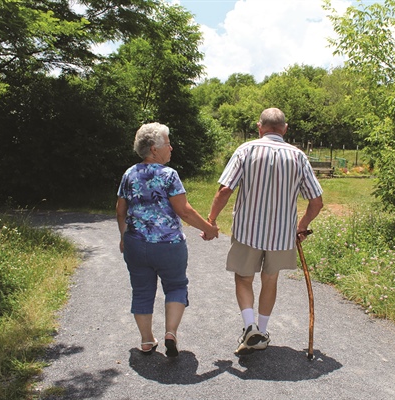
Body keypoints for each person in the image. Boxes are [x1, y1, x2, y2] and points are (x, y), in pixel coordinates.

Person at [205, 108, 323, 356]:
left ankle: (250, 328)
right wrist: (301, 226)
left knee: (243, 278)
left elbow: (225, 189)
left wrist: (212, 220)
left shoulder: (246, 150)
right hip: (282, 235)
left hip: (248, 231)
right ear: (285, 128)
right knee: (270, 280)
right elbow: (316, 202)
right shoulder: (298, 157)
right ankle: (263, 332)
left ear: (260, 127)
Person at [116, 122, 219, 357]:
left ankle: (146, 340)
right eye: (167, 144)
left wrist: (123, 236)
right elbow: (184, 211)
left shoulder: (129, 174)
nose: (171, 148)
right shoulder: (168, 175)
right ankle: (170, 333)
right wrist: (209, 229)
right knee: (175, 286)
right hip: (168, 246)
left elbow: (120, 210)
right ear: (154, 149)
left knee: (141, 290)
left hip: (135, 243)